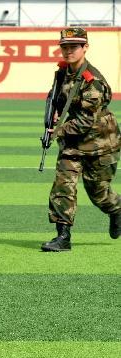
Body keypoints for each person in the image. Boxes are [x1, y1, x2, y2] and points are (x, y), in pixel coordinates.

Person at [41, 27, 121, 251]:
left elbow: (86, 122)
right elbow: (57, 95)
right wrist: (53, 113)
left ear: (85, 48)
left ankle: (117, 210)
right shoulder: (62, 72)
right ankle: (62, 237)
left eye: (74, 47)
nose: (68, 51)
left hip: (100, 144)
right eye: (64, 47)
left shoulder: (92, 81)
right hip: (73, 144)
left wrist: (57, 131)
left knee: (100, 194)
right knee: (62, 187)